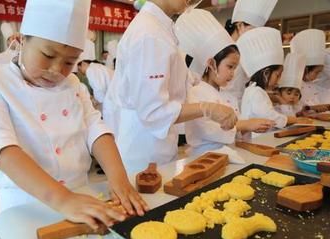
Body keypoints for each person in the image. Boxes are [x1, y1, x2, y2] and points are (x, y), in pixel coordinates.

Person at [0, 0, 147, 229]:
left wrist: (118, 178)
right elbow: (2, 148)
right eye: (47, 55)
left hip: (82, 197)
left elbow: (96, 129)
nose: (56, 70)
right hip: (26, 206)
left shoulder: (73, 84)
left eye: (69, 62)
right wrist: (62, 199)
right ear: (21, 40)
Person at [104, 0, 237, 174]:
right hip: (143, 152)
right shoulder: (149, 33)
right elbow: (154, 112)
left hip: (158, 147)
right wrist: (207, 108)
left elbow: (177, 80)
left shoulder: (161, 27)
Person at [176, 9, 274, 160]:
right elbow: (206, 131)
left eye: (235, 68)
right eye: (230, 67)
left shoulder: (226, 95)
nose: (232, 73)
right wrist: (245, 125)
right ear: (211, 63)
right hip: (204, 157)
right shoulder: (196, 92)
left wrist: (247, 128)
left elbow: (235, 125)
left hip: (227, 153)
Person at [221, 0, 278, 110]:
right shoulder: (223, 49)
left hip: (243, 105)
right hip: (222, 103)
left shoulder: (250, 51)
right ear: (240, 25)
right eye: (254, 29)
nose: (257, 35)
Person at [290, 29, 326, 108]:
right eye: (316, 72)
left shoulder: (313, 85)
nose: (318, 76)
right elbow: (294, 108)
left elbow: (315, 103)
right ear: (305, 69)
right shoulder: (292, 85)